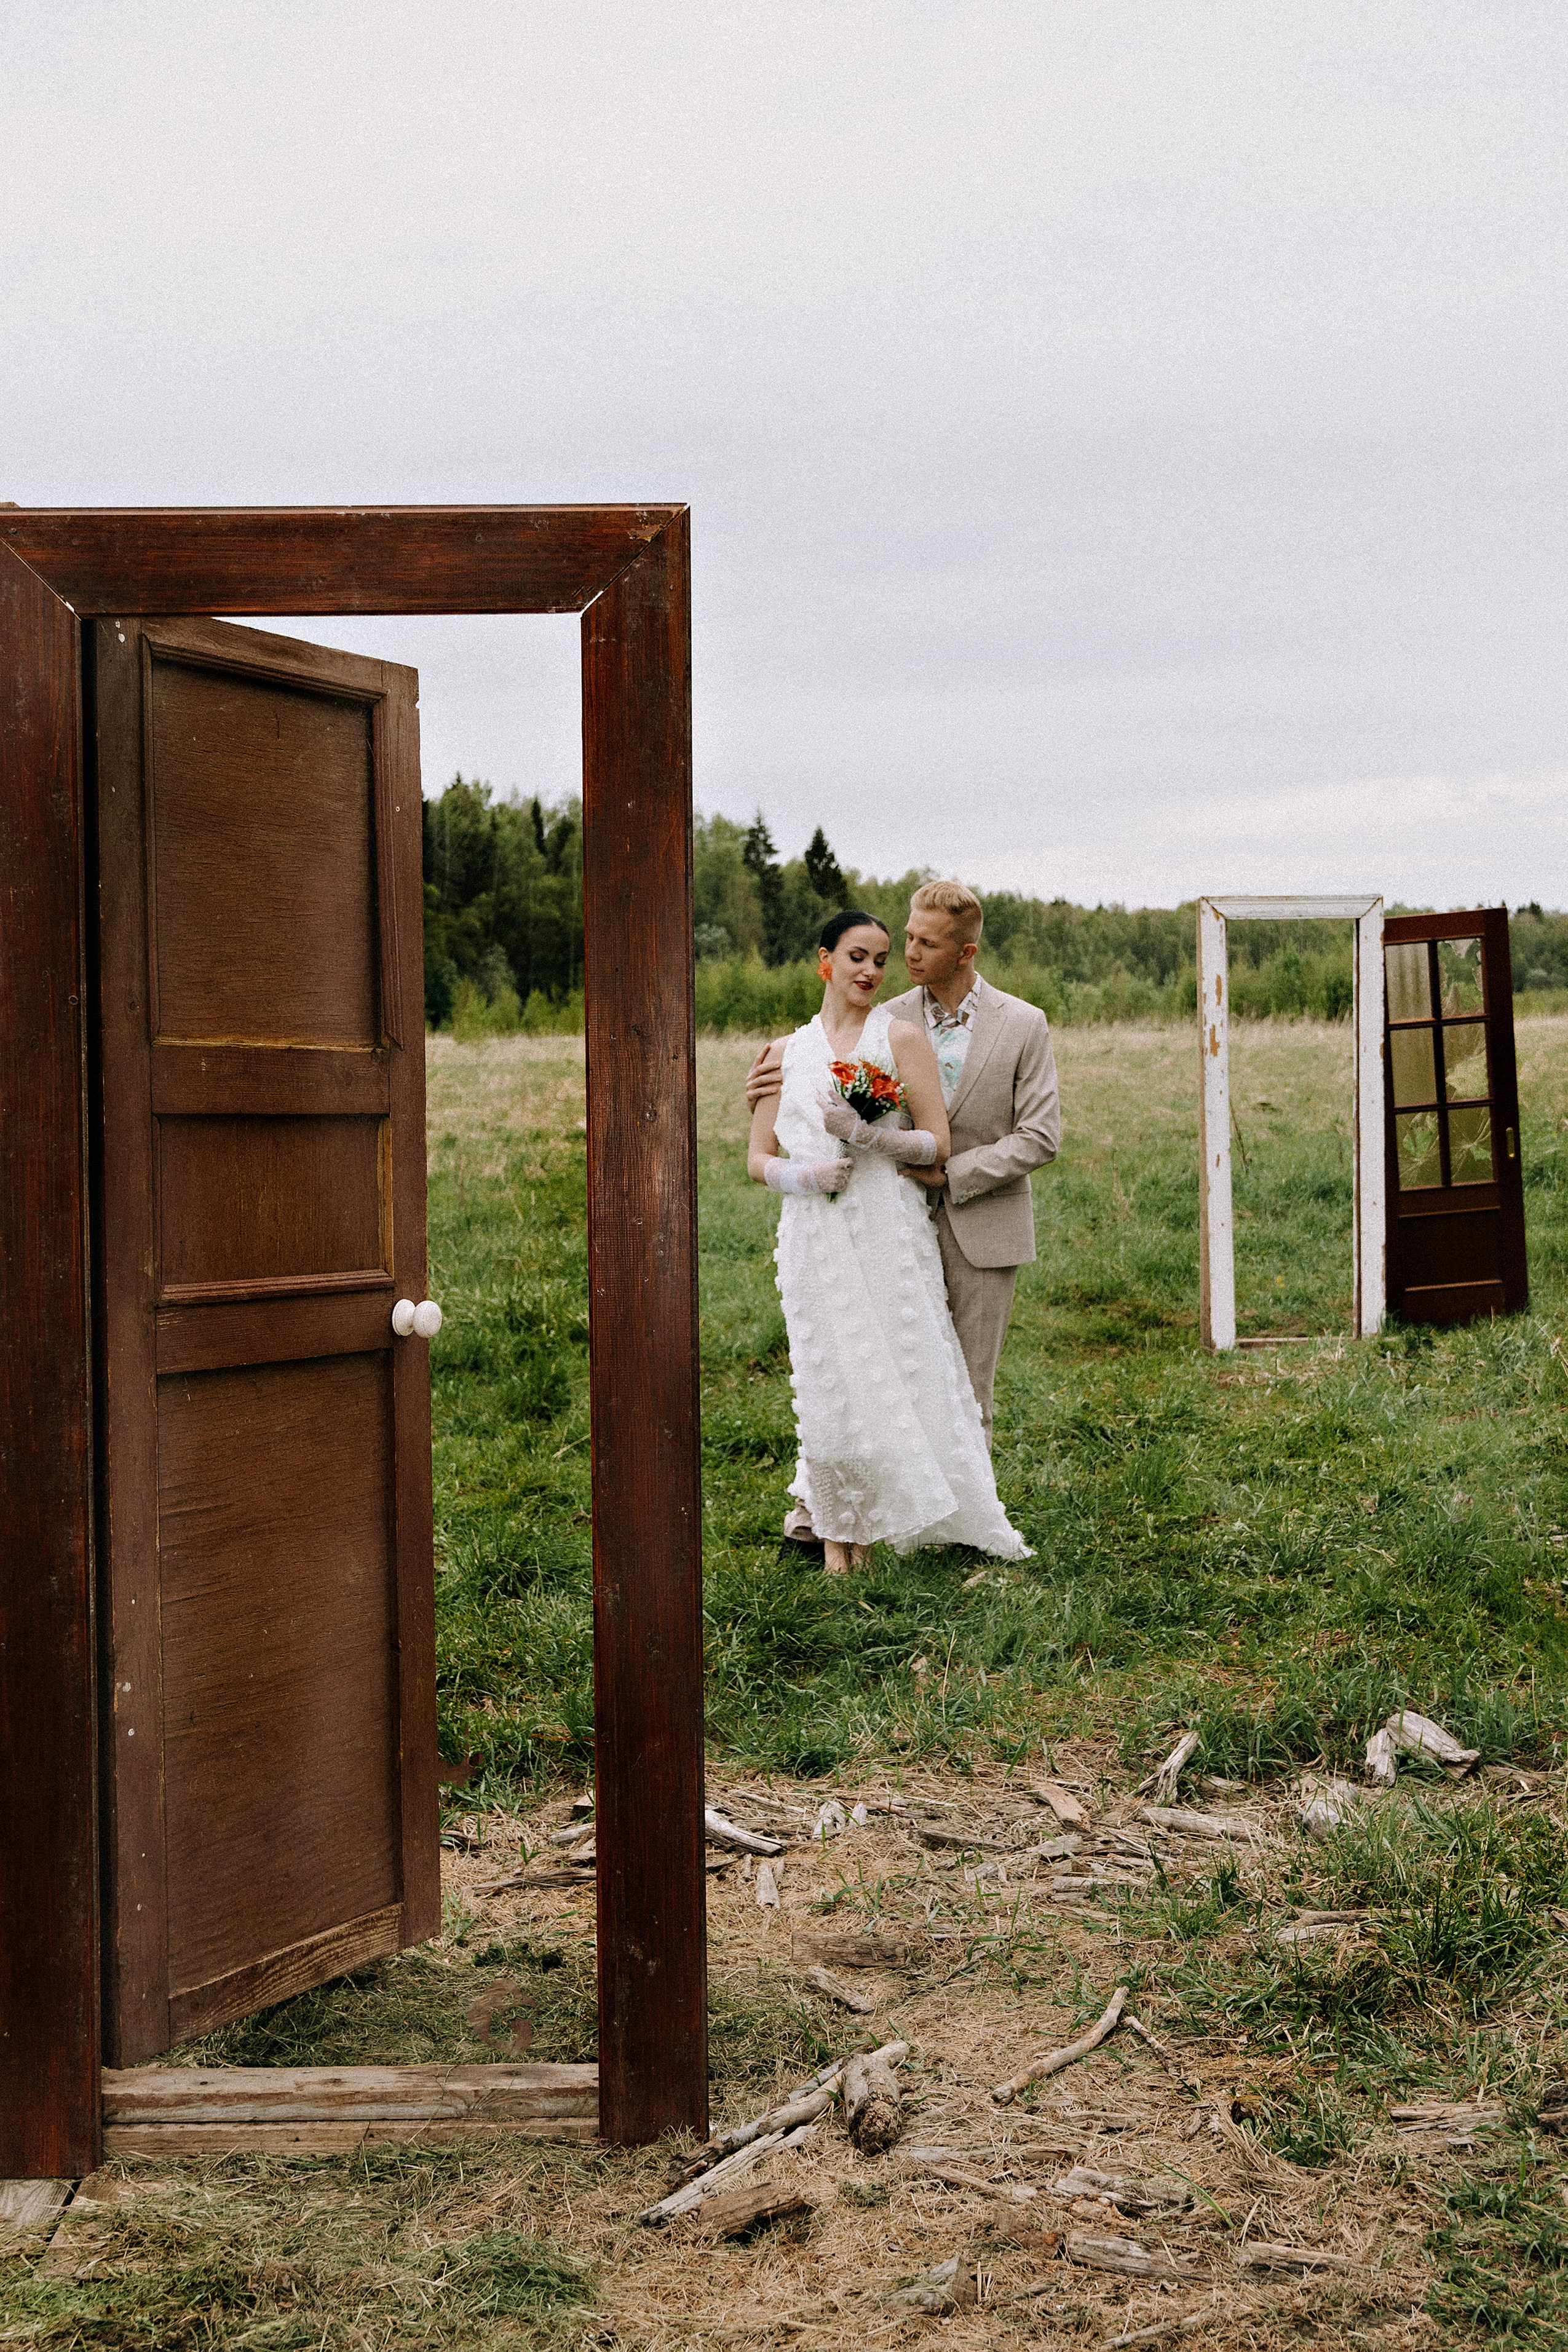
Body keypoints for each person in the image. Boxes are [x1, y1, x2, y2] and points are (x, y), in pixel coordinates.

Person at [746, 906, 1029, 1572]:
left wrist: (866, 1134)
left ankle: (886, 1527)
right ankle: (834, 1534)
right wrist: (806, 1173)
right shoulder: (785, 1052)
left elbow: (937, 1141)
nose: (872, 970)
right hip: (815, 1230)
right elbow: (757, 1157)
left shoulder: (899, 1038)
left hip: (887, 1224)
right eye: (857, 957)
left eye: (880, 959)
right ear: (825, 961)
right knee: (829, 1378)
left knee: (894, 1367)